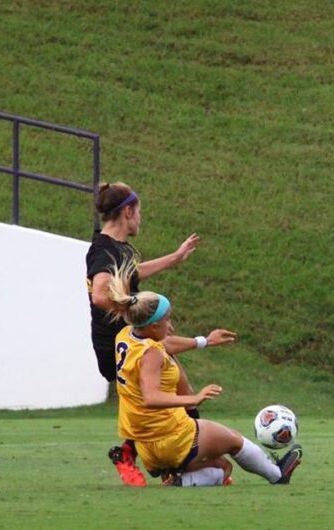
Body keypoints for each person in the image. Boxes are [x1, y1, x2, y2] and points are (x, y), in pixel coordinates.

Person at [86, 182, 236, 486]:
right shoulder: (102, 251)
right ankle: (159, 456)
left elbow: (133, 273)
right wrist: (137, 310)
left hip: (135, 335)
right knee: (165, 390)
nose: (141, 218)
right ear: (128, 211)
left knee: (179, 385)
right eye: (139, 212)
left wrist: (175, 258)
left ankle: (171, 458)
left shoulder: (118, 249)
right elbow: (101, 295)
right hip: (118, 342)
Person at [105, 257, 302, 487]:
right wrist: (193, 398)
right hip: (171, 436)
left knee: (223, 469)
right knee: (234, 441)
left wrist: (205, 341)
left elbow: (166, 344)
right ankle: (277, 475)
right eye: (167, 321)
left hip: (146, 445)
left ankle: (179, 479)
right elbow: (151, 397)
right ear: (153, 326)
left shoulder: (127, 335)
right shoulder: (152, 353)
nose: (171, 326)